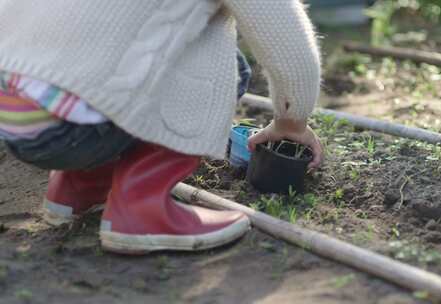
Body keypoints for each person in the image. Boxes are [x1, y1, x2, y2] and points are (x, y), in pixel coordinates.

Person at [0, 0, 323, 254]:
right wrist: (291, 122)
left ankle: (78, 186)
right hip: (77, 130)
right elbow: (288, 44)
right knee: (221, 58)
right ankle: (141, 208)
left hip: (17, 115)